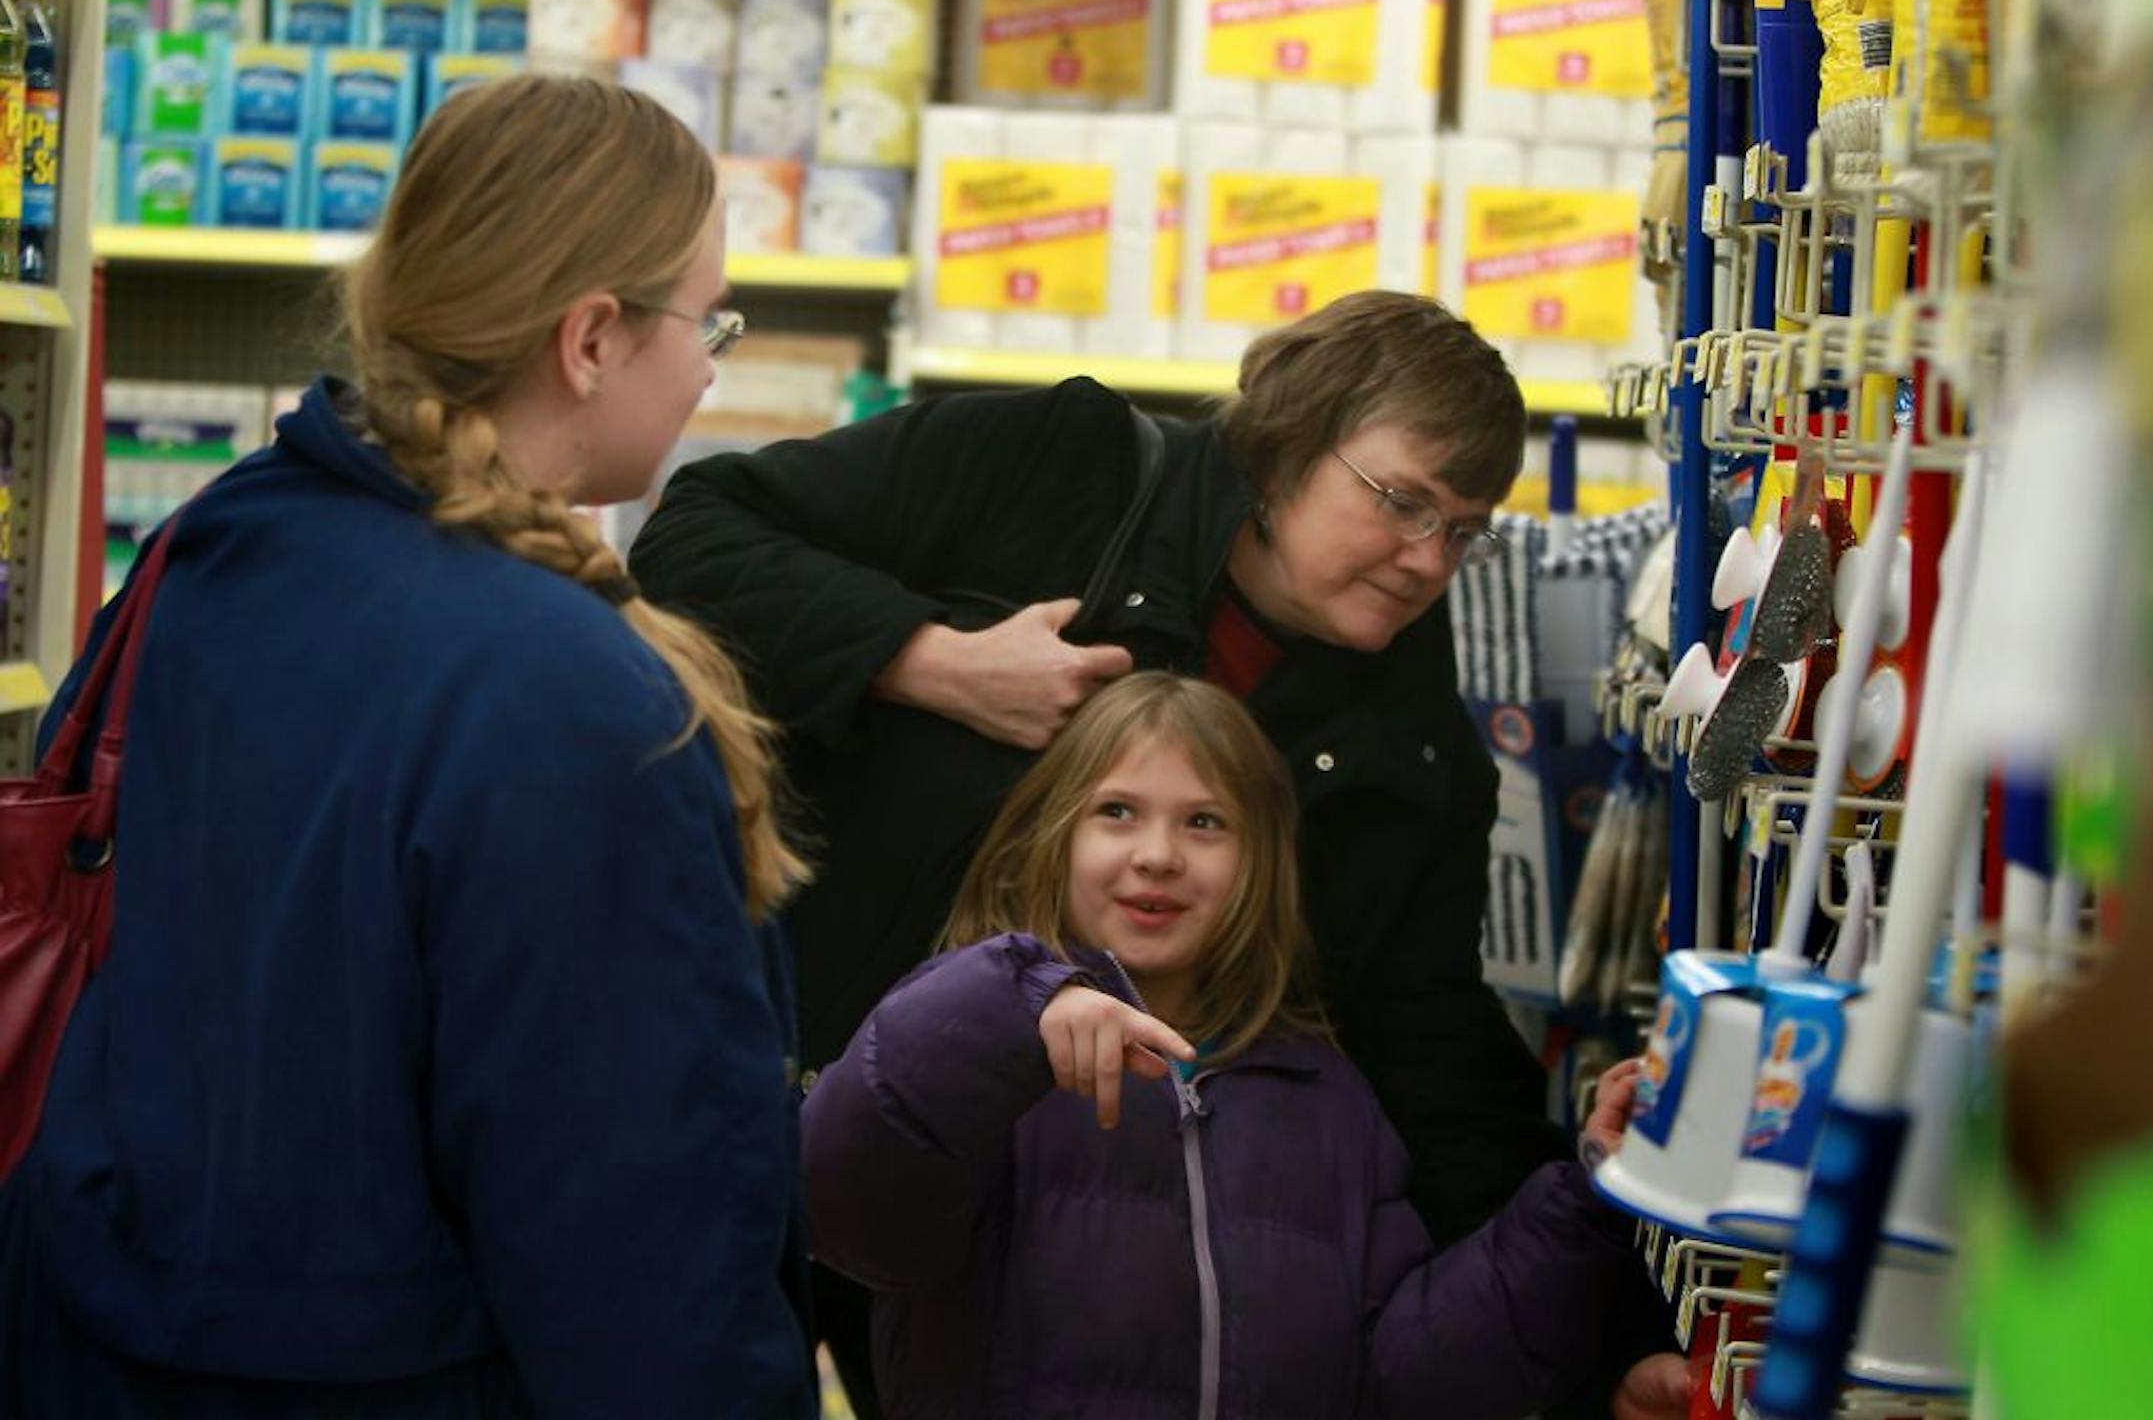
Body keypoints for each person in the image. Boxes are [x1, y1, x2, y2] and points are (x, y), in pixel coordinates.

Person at [629, 289, 1669, 1409]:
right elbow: (693, 538)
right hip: (799, 1107)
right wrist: (932, 659)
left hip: (1095, 1231)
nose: (1427, 559)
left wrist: (1598, 1336)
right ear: (1282, 451)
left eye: (1464, 529)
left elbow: (1430, 1052)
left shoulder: (1415, 746)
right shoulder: (1065, 465)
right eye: (1400, 502)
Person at [0, 76, 816, 1418]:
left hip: (107, 1328)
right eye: (708, 316)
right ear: (593, 338)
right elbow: (637, 1250)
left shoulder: (224, 541)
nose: (712, 359)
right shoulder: (586, 703)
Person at [801, 672, 1686, 1418]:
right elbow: (849, 1205)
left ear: (1260, 863)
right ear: (1054, 837)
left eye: (1204, 823)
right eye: (1117, 811)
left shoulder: (1325, 1095)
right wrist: (1011, 1003)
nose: (1157, 855)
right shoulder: (974, 1058)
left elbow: (1404, 1373)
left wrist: (1590, 1192)